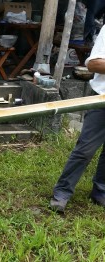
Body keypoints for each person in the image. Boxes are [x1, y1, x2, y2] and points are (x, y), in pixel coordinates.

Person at [50, 25, 105, 212]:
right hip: (102, 99)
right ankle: (62, 193)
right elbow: (93, 64)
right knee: (85, 149)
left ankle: (100, 192)